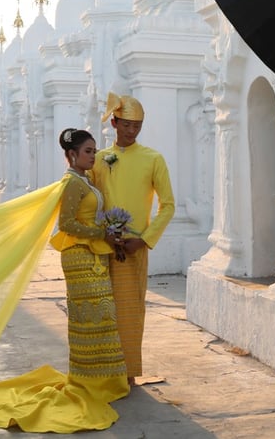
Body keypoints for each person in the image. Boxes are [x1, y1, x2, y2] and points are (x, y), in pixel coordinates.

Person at [0, 128, 129, 432]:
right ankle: (89, 382)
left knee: (101, 318)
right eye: (88, 151)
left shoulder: (85, 180)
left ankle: (103, 381)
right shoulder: (72, 183)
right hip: (78, 255)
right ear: (72, 155)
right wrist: (101, 233)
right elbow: (67, 223)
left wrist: (107, 234)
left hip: (93, 254)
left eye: (94, 150)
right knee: (89, 319)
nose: (93, 155)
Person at [90, 92, 175, 385]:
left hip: (133, 247)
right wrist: (98, 233)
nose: (131, 130)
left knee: (129, 311)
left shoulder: (153, 159)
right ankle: (102, 371)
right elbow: (90, 201)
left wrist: (145, 239)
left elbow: (168, 205)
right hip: (101, 246)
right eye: (126, 124)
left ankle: (127, 373)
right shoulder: (99, 159)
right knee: (101, 310)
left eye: (137, 126)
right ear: (114, 122)